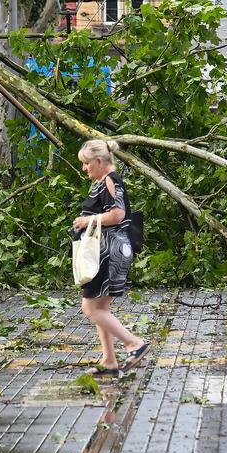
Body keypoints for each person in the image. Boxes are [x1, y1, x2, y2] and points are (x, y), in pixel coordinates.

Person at [70, 139, 149, 377]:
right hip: (110, 248)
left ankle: (134, 343)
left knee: (90, 307)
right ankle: (109, 361)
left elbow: (118, 214)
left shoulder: (110, 180)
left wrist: (86, 221)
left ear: (99, 161)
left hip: (109, 250)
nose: (84, 168)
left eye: (86, 163)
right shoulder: (103, 181)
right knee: (100, 306)